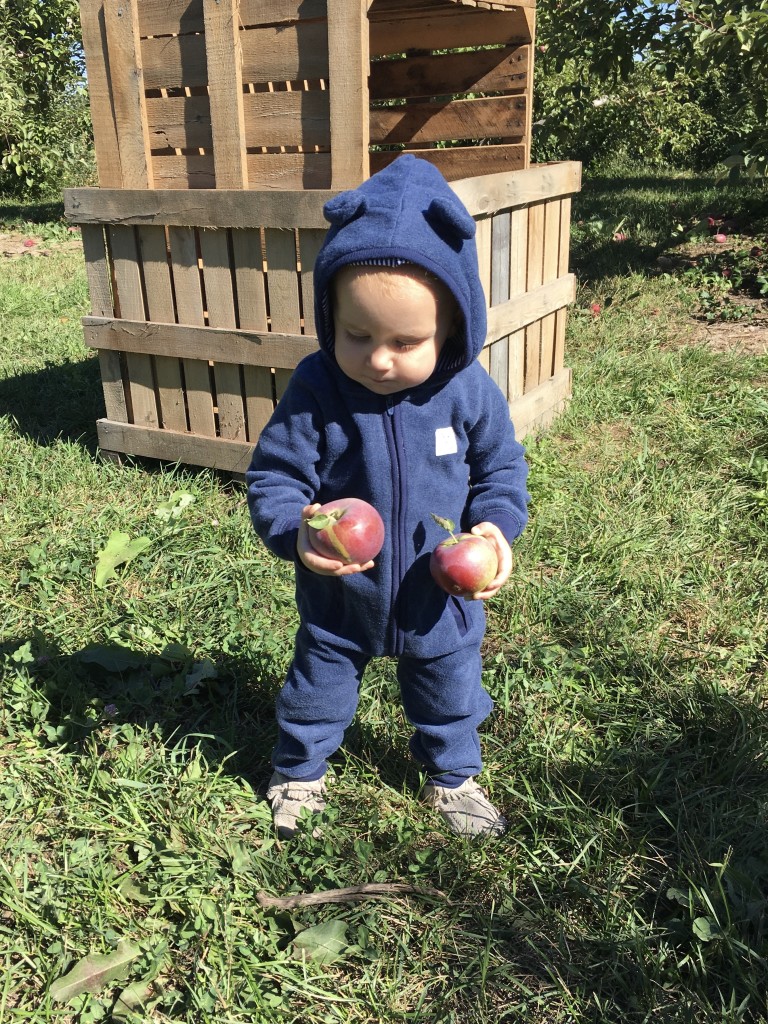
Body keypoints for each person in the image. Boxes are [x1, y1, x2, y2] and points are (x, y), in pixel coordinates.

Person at [246, 154, 530, 839]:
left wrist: (493, 532)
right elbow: (276, 477)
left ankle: (453, 777)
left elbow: (500, 471)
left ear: (452, 330)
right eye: (358, 335)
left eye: (406, 341)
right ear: (329, 318)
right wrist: (297, 532)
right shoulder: (318, 387)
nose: (378, 358)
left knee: (450, 691)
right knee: (318, 685)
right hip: (343, 596)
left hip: (441, 598)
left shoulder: (466, 391)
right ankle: (300, 771)